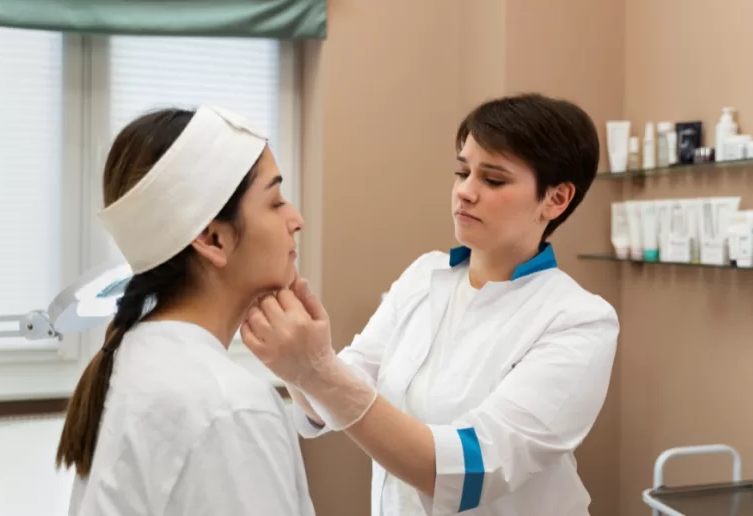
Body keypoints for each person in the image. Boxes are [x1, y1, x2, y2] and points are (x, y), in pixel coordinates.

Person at [241, 92, 620, 516]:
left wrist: (316, 368)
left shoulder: (579, 320)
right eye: (462, 172)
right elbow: (330, 402)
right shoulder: (424, 275)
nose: (465, 193)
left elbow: (473, 471)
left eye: (492, 180)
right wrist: (292, 361)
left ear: (556, 199)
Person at [55, 106, 315, 516]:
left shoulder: (130, 356)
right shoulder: (230, 407)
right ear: (213, 238)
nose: (297, 220)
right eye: (276, 201)